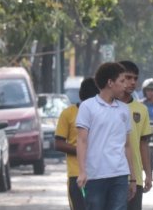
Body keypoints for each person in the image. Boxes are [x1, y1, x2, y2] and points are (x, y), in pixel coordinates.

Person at [77, 62, 137, 210]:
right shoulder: (88, 106)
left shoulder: (124, 109)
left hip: (120, 174)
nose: (125, 85)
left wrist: (133, 178)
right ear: (110, 82)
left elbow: (127, 146)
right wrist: (82, 171)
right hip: (95, 174)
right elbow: (82, 140)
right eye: (122, 81)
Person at [57, 77, 100, 210]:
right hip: (77, 174)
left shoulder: (102, 113)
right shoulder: (68, 113)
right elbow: (58, 143)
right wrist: (81, 150)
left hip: (100, 173)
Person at [118, 60, 153, 210]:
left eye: (135, 78)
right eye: (128, 77)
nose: (132, 82)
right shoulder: (105, 106)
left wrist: (149, 174)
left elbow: (143, 144)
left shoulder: (141, 109)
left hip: (135, 178)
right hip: (109, 176)